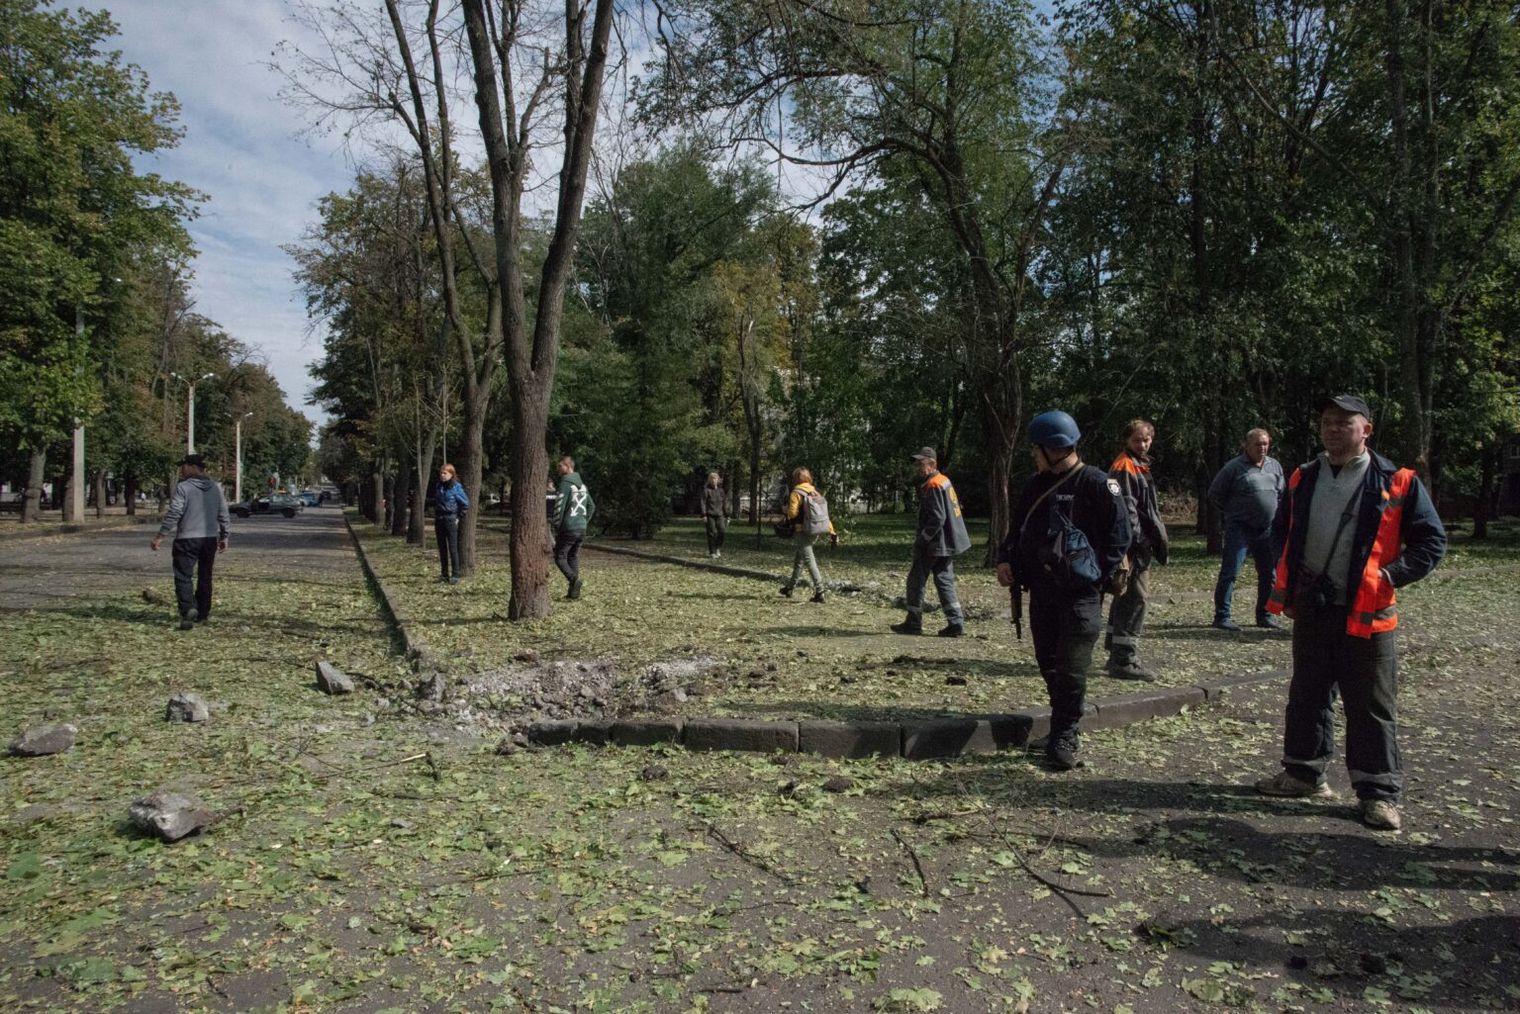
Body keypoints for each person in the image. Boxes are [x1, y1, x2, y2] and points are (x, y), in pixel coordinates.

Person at [1254, 394, 1445, 831]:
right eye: (1326, 422)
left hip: (1368, 615)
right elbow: (1282, 529)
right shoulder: (1304, 477)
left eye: (1344, 422)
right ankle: (1303, 773)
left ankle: (1378, 794)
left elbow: (1432, 543)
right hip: (1314, 609)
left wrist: (1390, 576)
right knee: (1307, 693)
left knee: (1371, 705)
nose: (1333, 429)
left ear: (1366, 430)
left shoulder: (1398, 481)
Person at [997, 411, 1131, 771]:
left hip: (1080, 596)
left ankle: (1066, 735)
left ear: (1053, 448)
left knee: (1072, 668)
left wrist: (1093, 578)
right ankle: (1060, 726)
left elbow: (1120, 539)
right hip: (1041, 591)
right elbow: (1018, 529)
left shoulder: (1099, 484)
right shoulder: (1035, 485)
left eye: (1035, 449)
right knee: (1049, 664)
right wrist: (1005, 559)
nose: (1032, 455)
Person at [1104, 419, 1169, 681]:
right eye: (1137, 440)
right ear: (1126, 440)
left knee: (1126, 595)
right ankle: (1124, 659)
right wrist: (1139, 542)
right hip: (1132, 545)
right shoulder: (1125, 467)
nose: (1143, 444)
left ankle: (1115, 649)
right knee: (1136, 597)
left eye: (1147, 439)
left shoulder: (1140, 465)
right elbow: (1127, 508)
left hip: (1136, 542)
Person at [1208, 428, 1285, 631]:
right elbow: (1215, 493)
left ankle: (1264, 615)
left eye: (1265, 444)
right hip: (1240, 528)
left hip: (1267, 530)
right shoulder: (1233, 468)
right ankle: (1222, 616)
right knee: (1230, 572)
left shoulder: (1274, 466)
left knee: (1269, 574)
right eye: (1258, 444)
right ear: (1247, 445)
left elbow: (1282, 494)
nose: (1262, 448)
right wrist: (1233, 512)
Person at [891, 447, 972, 637]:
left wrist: (922, 540)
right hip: (947, 543)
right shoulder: (944, 481)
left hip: (933, 544)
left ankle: (913, 622)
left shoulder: (934, 485)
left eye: (921, 464)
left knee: (915, 581)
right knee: (944, 581)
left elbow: (937, 518)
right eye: (917, 464)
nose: (918, 468)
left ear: (932, 464)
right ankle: (956, 622)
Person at [150, 454, 230, 631]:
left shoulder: (183, 488)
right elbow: (223, 513)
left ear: (193, 467)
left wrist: (160, 535)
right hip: (209, 539)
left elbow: (175, 512)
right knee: (205, 576)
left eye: (184, 466)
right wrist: (224, 536)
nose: (181, 470)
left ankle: (187, 609)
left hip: (186, 539)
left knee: (183, 576)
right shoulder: (216, 488)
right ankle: (202, 613)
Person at [778, 467, 835, 603]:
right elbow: (823, 514)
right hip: (815, 531)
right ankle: (790, 588)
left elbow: (792, 514)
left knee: (809, 561)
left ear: (796, 479)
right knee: (799, 560)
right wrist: (832, 531)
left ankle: (820, 591)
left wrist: (785, 510)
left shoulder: (796, 492)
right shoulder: (815, 492)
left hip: (801, 531)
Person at [552, 456, 595, 600]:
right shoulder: (582, 486)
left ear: (568, 466)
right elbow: (591, 506)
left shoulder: (565, 483)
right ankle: (573, 594)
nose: (558, 469)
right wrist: (584, 521)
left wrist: (556, 525)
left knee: (560, 557)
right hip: (581, 528)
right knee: (572, 556)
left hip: (568, 527)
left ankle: (573, 580)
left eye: (560, 466)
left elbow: (559, 506)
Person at [434, 463, 470, 584]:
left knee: (452, 548)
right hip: (439, 519)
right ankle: (444, 574)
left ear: (451, 474)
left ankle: (455, 574)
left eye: (445, 473)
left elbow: (465, 504)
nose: (442, 475)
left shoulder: (456, 487)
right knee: (442, 548)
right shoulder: (439, 486)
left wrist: (458, 517)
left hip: (450, 519)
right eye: (441, 473)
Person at [701, 472, 728, 558]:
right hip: (709, 515)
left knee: (722, 531)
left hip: (720, 514)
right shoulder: (706, 490)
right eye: (712, 479)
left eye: (715, 478)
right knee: (712, 533)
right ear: (709, 480)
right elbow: (703, 503)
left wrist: (727, 515)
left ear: (718, 480)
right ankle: (712, 552)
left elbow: (724, 503)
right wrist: (704, 515)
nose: (714, 480)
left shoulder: (721, 491)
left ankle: (717, 548)